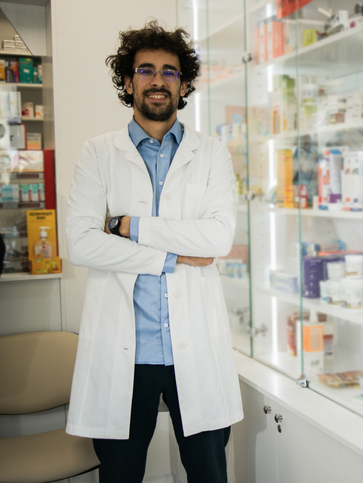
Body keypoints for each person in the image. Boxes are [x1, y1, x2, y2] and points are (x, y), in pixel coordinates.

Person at [65, 20, 243, 482]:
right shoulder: (97, 153)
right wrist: (172, 256)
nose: (158, 79)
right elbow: (82, 243)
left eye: (170, 71)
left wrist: (127, 226)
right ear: (128, 81)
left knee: (209, 474)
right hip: (126, 355)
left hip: (195, 349)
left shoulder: (211, 154)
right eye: (146, 70)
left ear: (183, 85)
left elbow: (218, 238)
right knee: (121, 476)